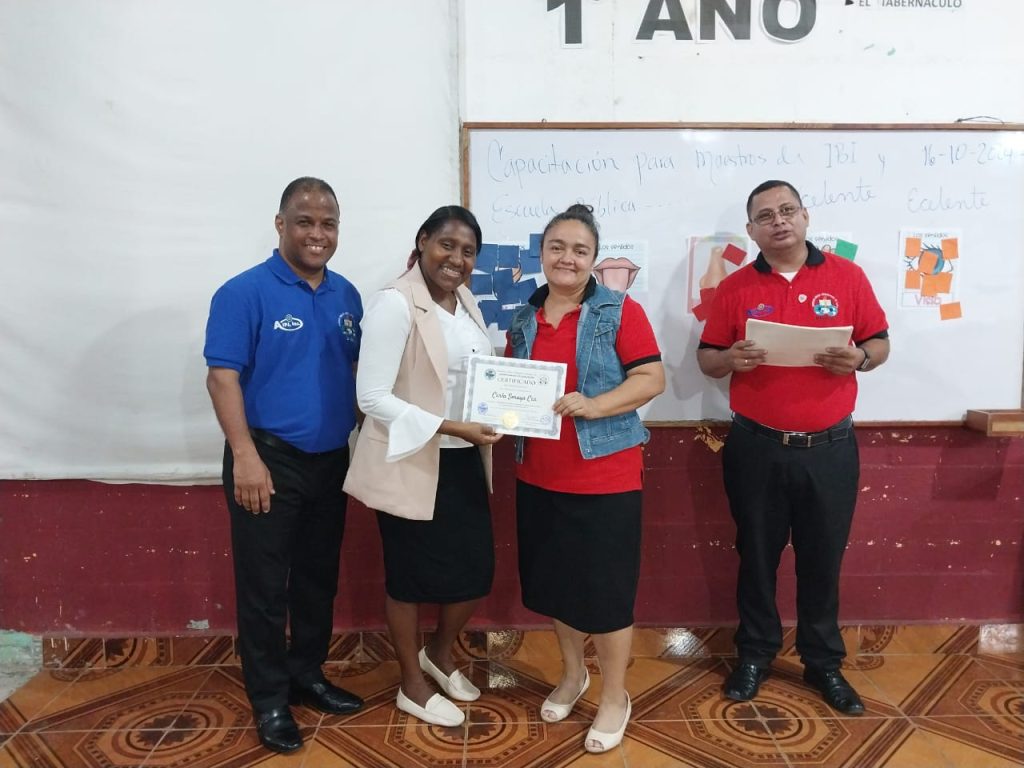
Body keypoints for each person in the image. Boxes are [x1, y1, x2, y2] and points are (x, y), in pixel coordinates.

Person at [697, 180, 890, 716]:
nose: (778, 221)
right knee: (756, 557)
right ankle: (755, 655)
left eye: (787, 211)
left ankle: (823, 662)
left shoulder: (847, 277)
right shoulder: (735, 287)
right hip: (756, 447)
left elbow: (880, 343)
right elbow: (707, 359)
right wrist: (731, 359)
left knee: (822, 558)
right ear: (752, 230)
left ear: (805, 216)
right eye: (765, 216)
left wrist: (861, 359)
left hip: (830, 448)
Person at [204, 177, 364, 754]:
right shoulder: (243, 292)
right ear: (280, 224)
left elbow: (355, 376)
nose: (317, 234)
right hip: (266, 460)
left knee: (318, 580)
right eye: (305, 221)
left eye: (328, 224)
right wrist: (246, 457)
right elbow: (221, 379)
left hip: (331, 461)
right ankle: (270, 698)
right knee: (265, 588)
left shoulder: (348, 295)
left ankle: (306, 675)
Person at [507, 203, 665, 753]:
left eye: (580, 250)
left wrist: (595, 406)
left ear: (594, 259)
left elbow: (651, 378)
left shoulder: (618, 311)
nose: (567, 258)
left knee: (607, 596)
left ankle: (615, 695)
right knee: (559, 587)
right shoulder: (524, 318)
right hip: (538, 475)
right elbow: (515, 390)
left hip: (605, 479)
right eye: (557, 247)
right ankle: (573, 675)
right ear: (542, 253)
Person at [343, 205, 501, 728]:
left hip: (463, 459)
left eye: (468, 251)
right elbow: (371, 397)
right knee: (409, 578)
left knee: (475, 572)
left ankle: (438, 653)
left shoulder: (466, 300)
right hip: (410, 458)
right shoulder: (394, 303)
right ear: (423, 242)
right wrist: (453, 427)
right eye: (446, 245)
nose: (456, 259)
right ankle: (411, 683)